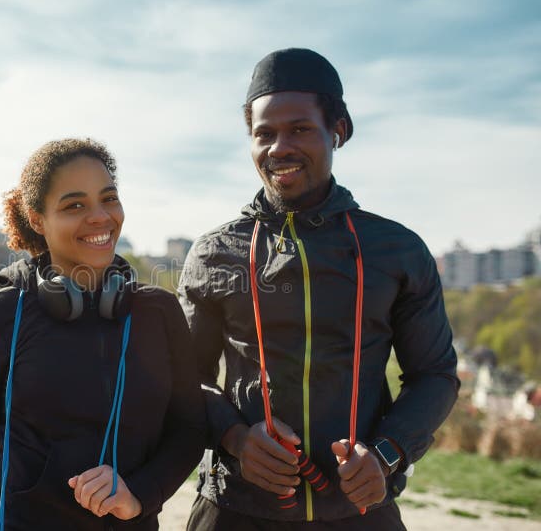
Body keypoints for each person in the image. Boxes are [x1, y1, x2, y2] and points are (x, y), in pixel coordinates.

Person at [179, 48, 460, 530]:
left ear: (338, 131)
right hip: (233, 510)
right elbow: (184, 378)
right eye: (263, 134)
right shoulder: (213, 252)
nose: (279, 147)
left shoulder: (397, 250)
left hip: (360, 512)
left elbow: (435, 374)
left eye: (300, 129)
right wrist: (236, 439)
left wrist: (388, 454)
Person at [0, 138, 205, 530]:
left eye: (108, 198)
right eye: (74, 205)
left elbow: (189, 429)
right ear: (37, 219)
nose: (100, 217)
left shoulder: (159, 313)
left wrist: (140, 493)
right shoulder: (0, 316)